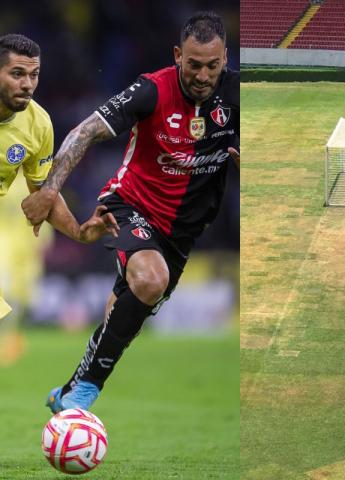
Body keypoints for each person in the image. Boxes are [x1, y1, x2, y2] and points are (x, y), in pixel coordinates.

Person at [22, 11, 239, 413]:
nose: (203, 75)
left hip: (183, 232)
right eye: (193, 64)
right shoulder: (151, 90)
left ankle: (69, 391)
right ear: (178, 55)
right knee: (151, 279)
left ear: (225, 58)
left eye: (212, 65)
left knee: (123, 316)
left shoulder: (239, 94)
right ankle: (86, 392)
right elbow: (83, 132)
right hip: (128, 205)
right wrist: (49, 191)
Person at [0, 34, 119, 321]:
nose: (27, 84)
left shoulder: (38, 124)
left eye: (34, 74)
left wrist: (78, 231)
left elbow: (43, 192)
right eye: (17, 74)